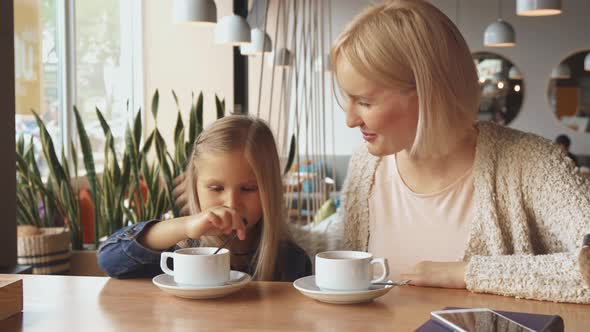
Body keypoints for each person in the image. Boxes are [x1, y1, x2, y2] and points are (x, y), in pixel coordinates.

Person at [329, 0, 590, 303]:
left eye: (363, 101)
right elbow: (337, 251)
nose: (349, 120)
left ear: (428, 92)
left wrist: (465, 273)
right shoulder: (365, 165)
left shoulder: (532, 165)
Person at [98, 115, 311, 281]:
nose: (231, 203)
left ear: (270, 191)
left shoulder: (292, 261)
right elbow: (108, 259)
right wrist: (186, 226)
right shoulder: (179, 250)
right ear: (195, 186)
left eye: (248, 189)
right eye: (216, 188)